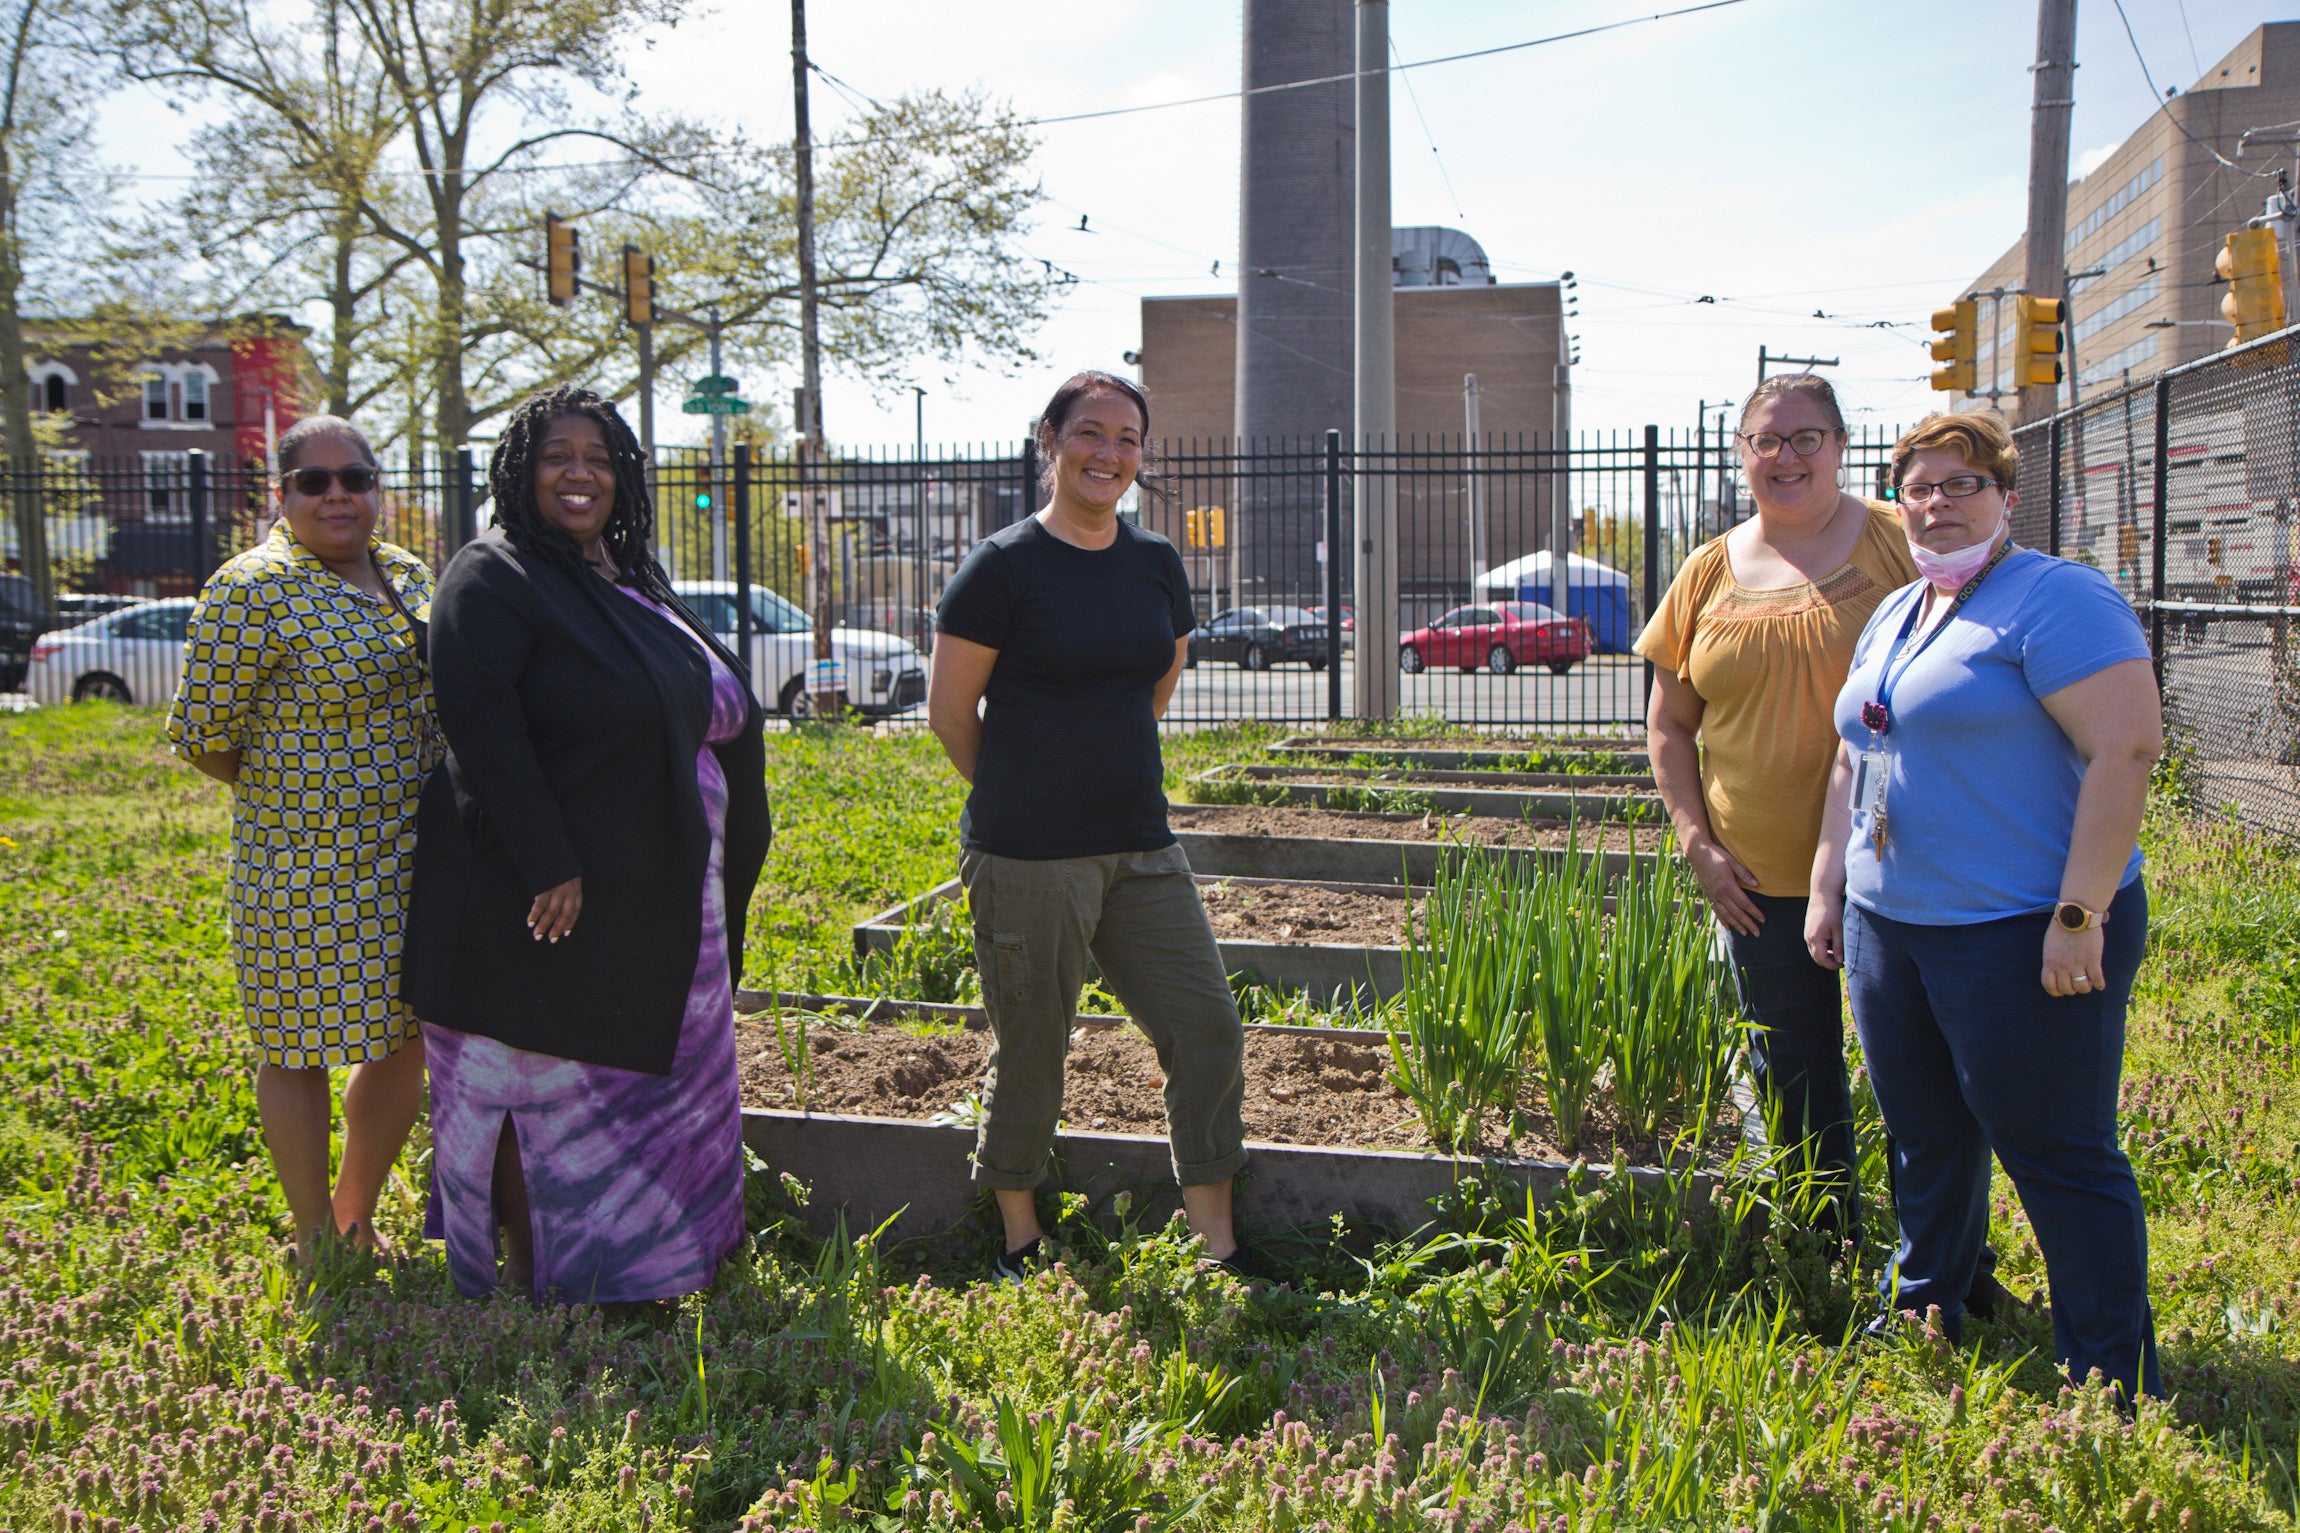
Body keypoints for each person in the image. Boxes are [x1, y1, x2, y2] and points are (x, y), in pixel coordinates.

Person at [1807, 411, 2163, 1398]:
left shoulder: (2056, 600)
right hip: (1893, 927)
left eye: (1960, 485)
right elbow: (1855, 751)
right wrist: (1829, 885)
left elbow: (2124, 749)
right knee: (1924, 1133)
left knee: (2054, 1149)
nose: (1936, 504)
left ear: (2006, 498)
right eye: (1917, 488)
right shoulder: (1898, 610)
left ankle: (2107, 1375)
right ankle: (1929, 1307)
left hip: (2020, 927)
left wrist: (2077, 915)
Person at [406, 386, 769, 1305]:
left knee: (656, 1092)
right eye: (557, 454)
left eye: (600, 456)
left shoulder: (626, 576)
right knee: (551, 1091)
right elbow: (481, 727)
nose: (581, 473)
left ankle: (656, 1271)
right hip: (539, 902)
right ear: (520, 471)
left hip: (655, 896)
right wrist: (550, 860)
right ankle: (544, 1288)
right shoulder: (492, 575)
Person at [927, 370, 1251, 1282]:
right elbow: (951, 715)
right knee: (1034, 1041)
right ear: (1050, 440)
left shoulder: (1154, 561)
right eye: (1090, 433)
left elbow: (1157, 678)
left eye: (1128, 438)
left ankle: (1217, 1246)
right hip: (1028, 855)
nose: (1109, 453)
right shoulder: (1001, 568)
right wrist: (1028, 792)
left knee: (1208, 1028)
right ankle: (1020, 1236)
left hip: (1142, 846)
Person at [1634, 374, 1921, 1240]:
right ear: (1742, 454)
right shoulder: (1708, 571)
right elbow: (1669, 725)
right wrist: (1697, 845)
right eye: (1766, 440)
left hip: (1895, 867)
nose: (1786, 456)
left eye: (1806, 438)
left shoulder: (1896, 541)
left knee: (1913, 1072)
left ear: (1840, 445)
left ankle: (1941, 1273)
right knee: (1793, 1073)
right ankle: (1826, 1249)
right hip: (1755, 878)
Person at [166, 415, 435, 1263]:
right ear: (281, 495)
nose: (337, 495)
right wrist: (300, 794)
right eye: (314, 482)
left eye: (355, 478)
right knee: (295, 1046)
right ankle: (312, 1233)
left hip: (412, 857)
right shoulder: (250, 587)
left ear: (376, 488)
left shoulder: (407, 574)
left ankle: (356, 1216)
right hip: (299, 863)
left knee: (404, 1034)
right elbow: (204, 734)